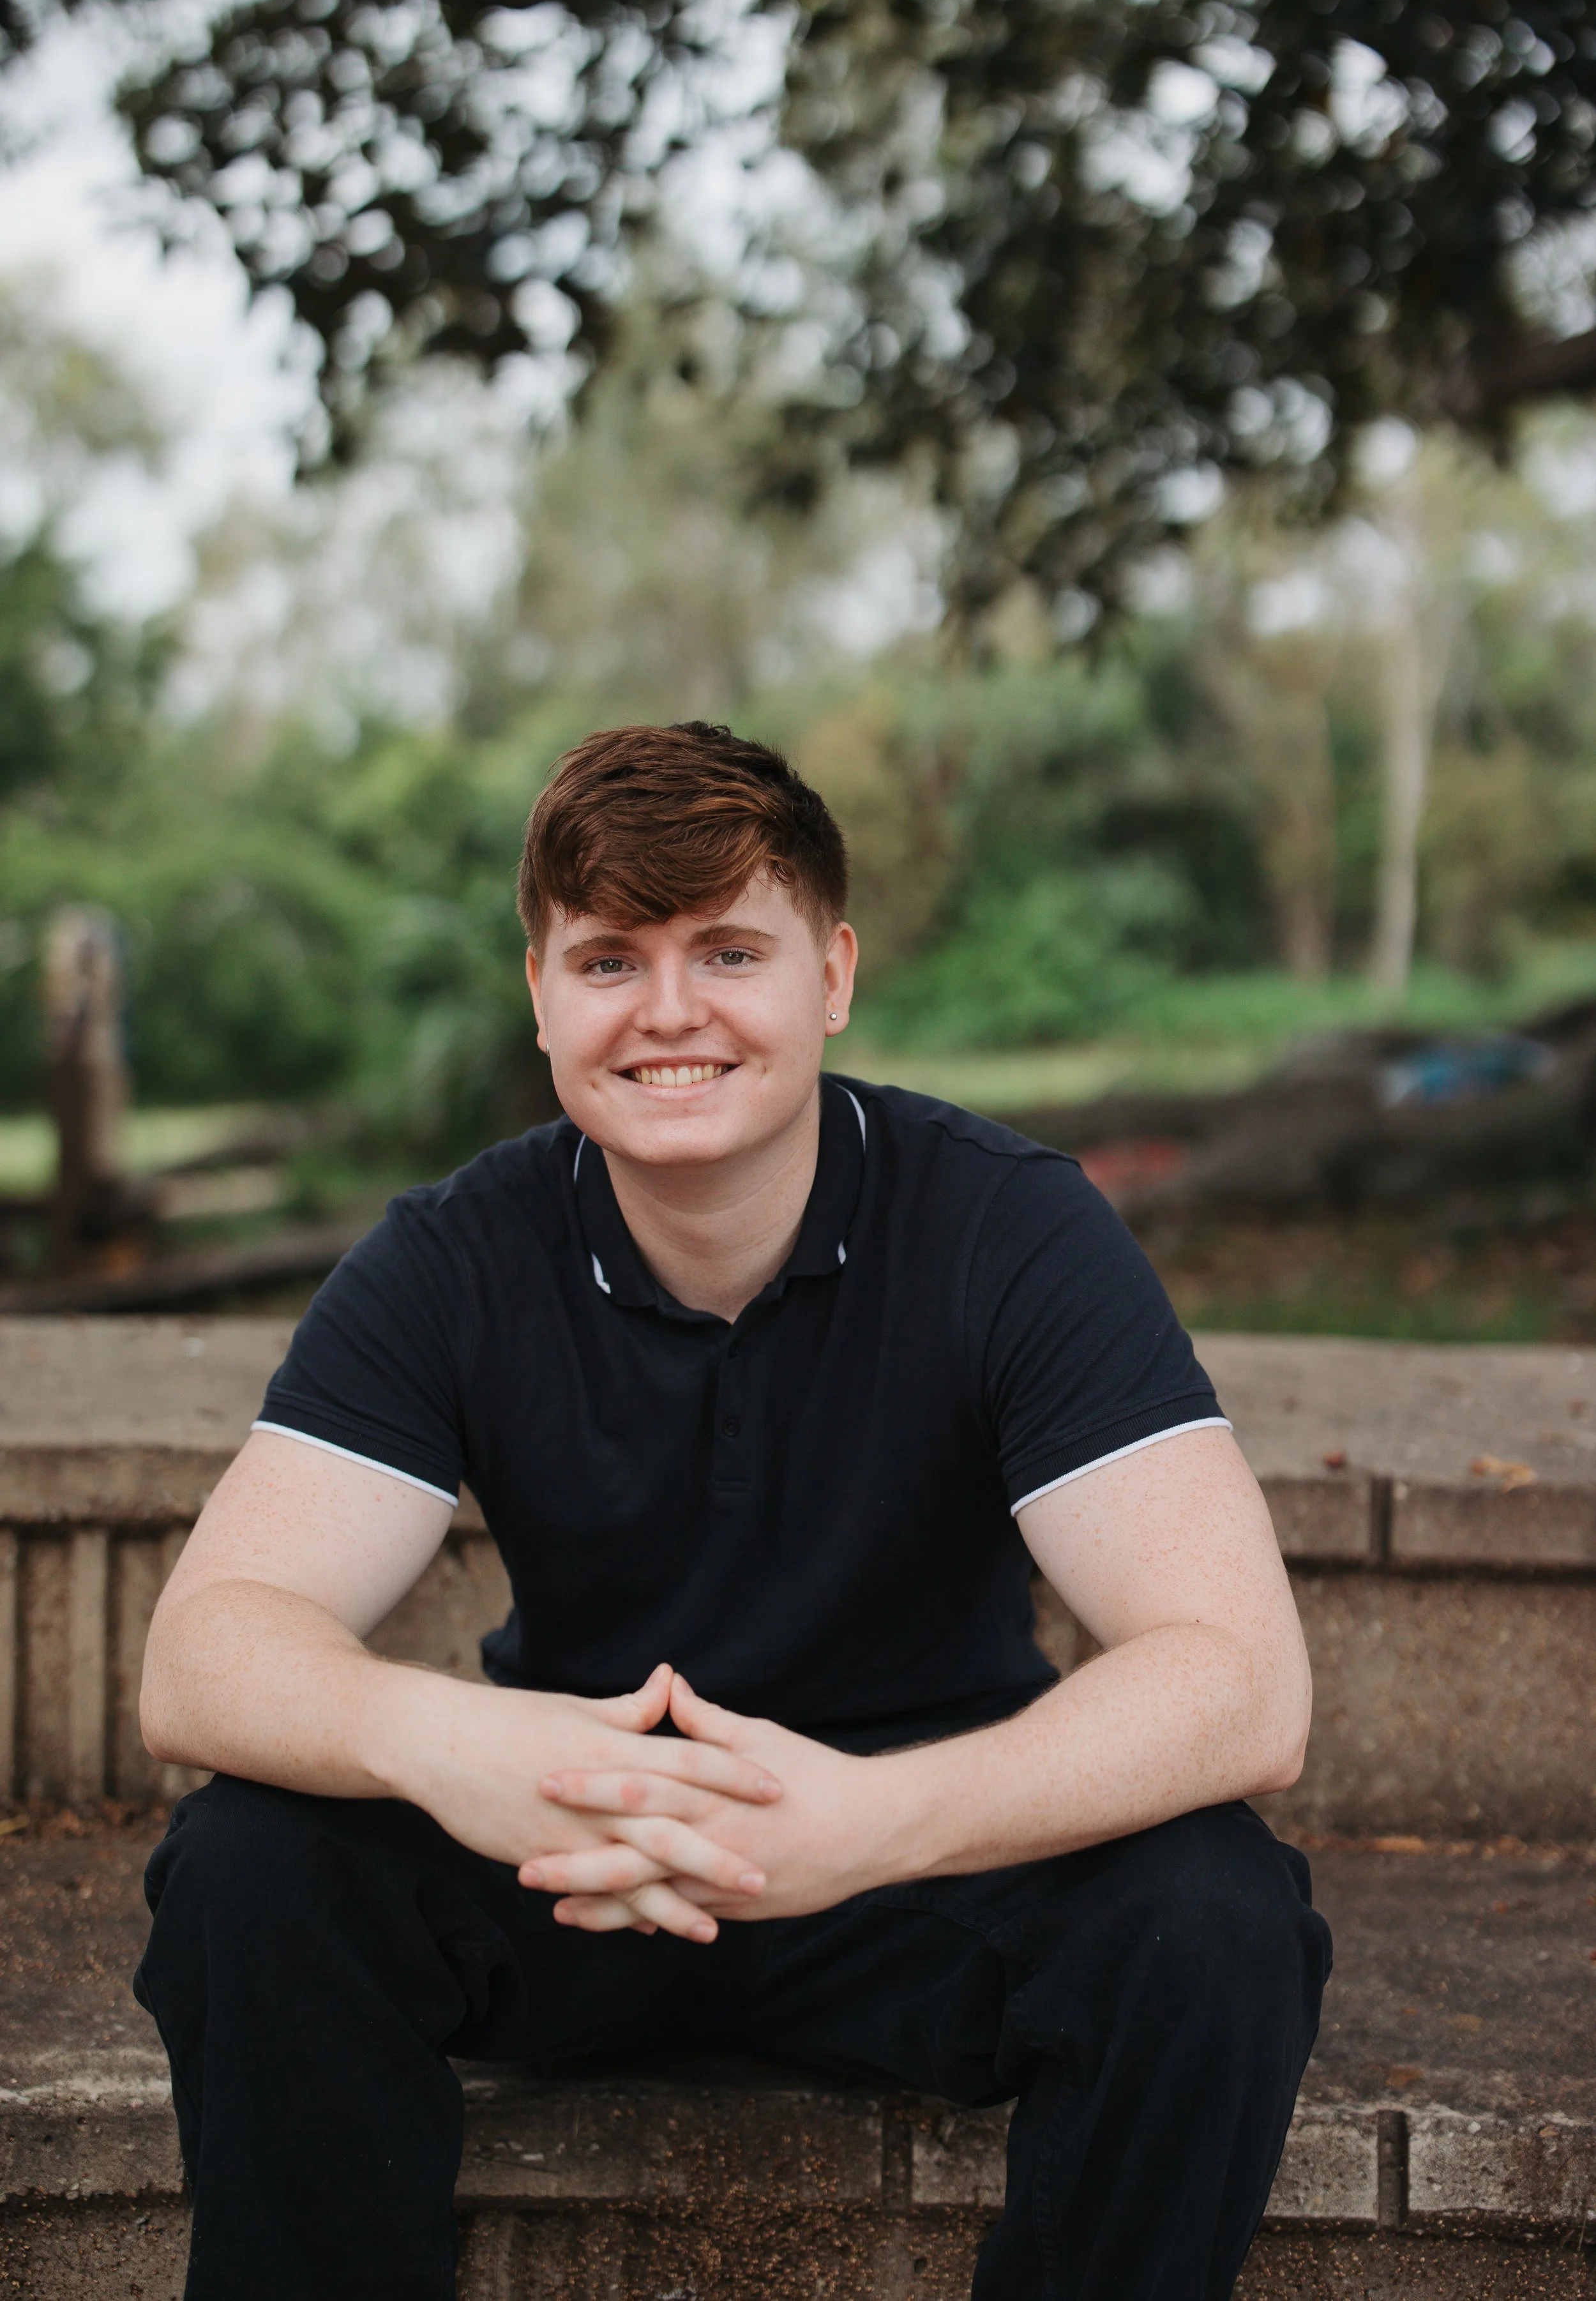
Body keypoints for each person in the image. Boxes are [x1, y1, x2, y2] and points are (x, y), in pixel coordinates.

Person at [136, 720, 1330, 2301]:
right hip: (576, 1855)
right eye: (610, 961)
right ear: (543, 995)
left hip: (913, 1857)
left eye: (729, 950)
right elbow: (201, 1659)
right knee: (249, 1870)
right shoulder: (450, 1255)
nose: (670, 1011)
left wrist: (869, 1823)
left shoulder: (1008, 1228)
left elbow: (1242, 1683)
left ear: (831, 976)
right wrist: (456, 1747)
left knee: (1215, 1920)